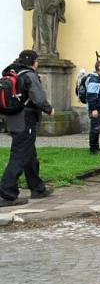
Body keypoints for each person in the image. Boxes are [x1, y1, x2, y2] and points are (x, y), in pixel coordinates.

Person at [0, 50, 55, 206]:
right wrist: (49, 109)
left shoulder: (11, 72)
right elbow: (38, 97)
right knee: (20, 154)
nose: (37, 64)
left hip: (13, 118)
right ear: (33, 61)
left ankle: (38, 188)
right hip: (26, 118)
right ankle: (7, 193)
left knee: (28, 152)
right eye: (37, 61)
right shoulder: (29, 75)